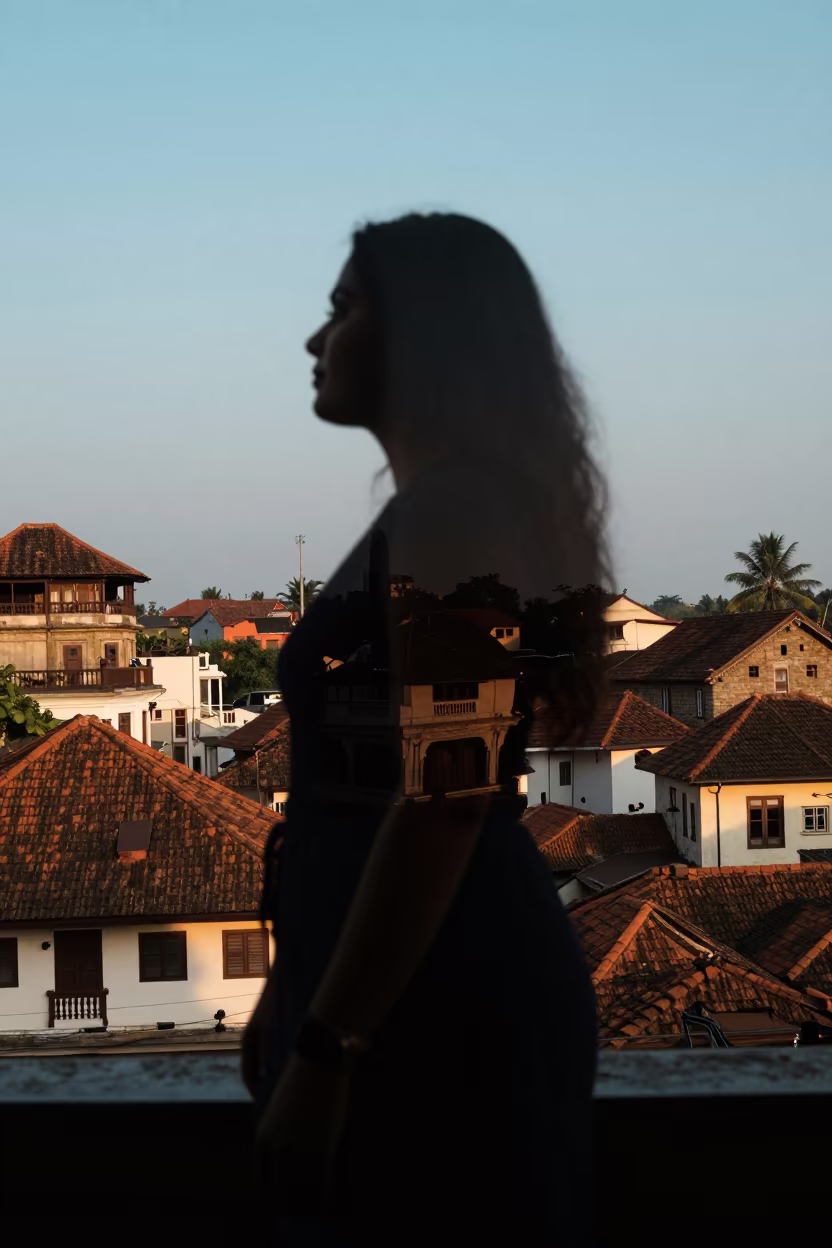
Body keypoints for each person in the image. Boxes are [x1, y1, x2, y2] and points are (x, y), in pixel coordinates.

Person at [244, 213, 607, 1246]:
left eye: (342, 309)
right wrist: (296, 993)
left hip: (447, 1003)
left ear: (426, 336)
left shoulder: (453, 516)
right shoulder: (438, 512)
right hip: (406, 986)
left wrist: (326, 1047)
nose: (316, 341)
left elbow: (445, 799)